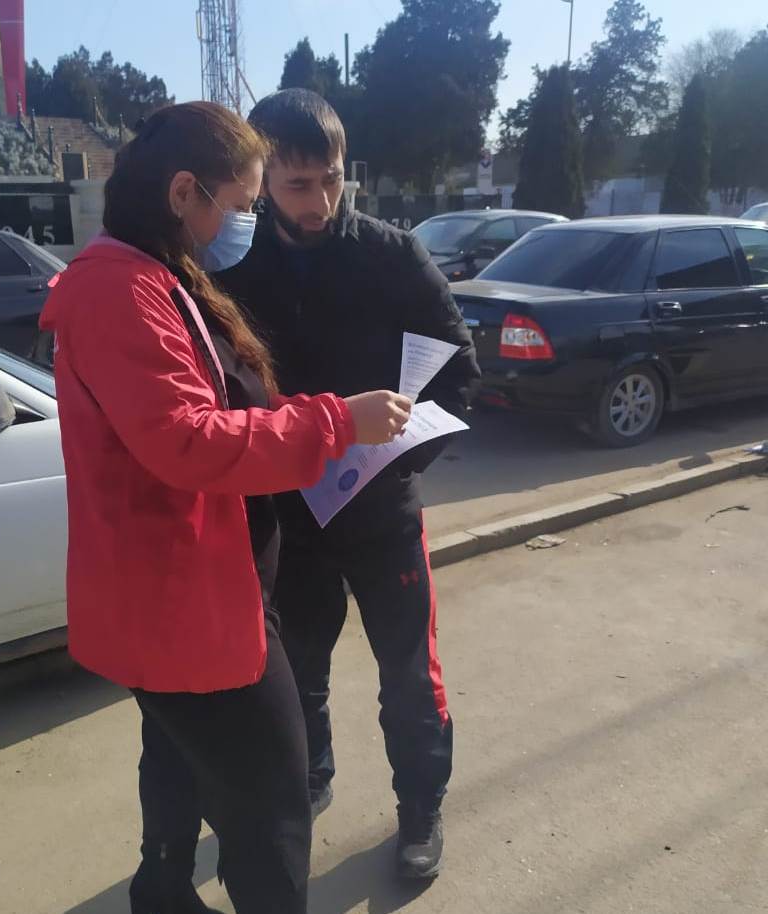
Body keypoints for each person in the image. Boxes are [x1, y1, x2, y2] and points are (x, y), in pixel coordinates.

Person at [38, 101, 412, 914]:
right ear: (184, 192)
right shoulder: (120, 289)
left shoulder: (153, 272)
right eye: (239, 203)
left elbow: (221, 411)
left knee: (179, 756)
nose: (244, 220)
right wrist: (337, 422)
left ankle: (162, 889)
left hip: (196, 587)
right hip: (186, 604)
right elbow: (192, 441)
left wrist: (315, 418)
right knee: (275, 799)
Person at [218, 89, 480, 880]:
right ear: (263, 180)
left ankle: (420, 809)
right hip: (288, 520)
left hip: (383, 513)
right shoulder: (237, 269)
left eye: (332, 179)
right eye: (298, 185)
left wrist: (398, 458)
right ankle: (312, 776)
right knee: (298, 673)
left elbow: (460, 370)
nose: (321, 202)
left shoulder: (393, 256)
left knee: (410, 676)